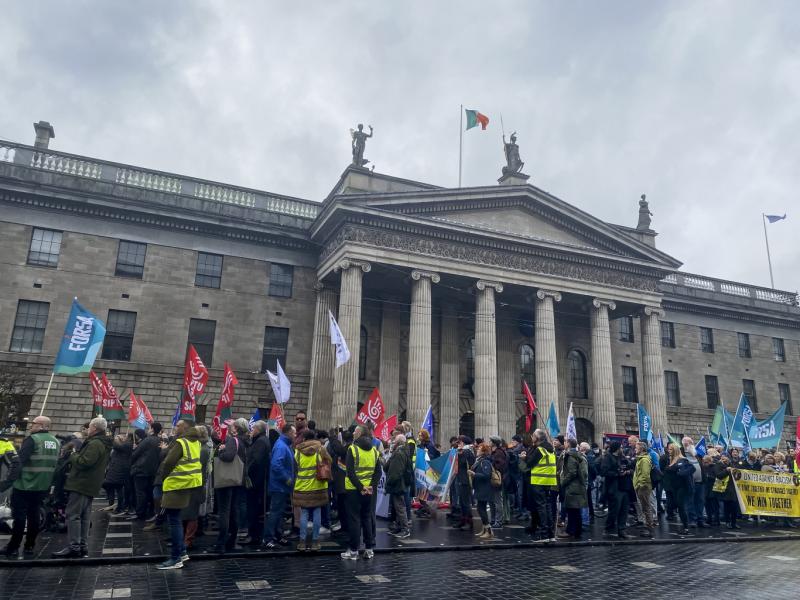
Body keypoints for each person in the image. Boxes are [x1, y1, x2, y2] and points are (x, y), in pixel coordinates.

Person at [52, 417, 112, 558]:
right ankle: (82, 545)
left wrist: (73, 454)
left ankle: (74, 546)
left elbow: (85, 462)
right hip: (89, 483)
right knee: (84, 516)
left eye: (89, 427)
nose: (87, 430)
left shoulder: (96, 443)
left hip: (81, 483)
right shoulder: (101, 442)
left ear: (95, 428)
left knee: (73, 515)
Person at [1, 416, 57, 558]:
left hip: (25, 484)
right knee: (34, 516)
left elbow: (19, 462)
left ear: (42, 426)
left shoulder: (33, 440)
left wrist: (7, 482)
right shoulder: (55, 442)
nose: (31, 426)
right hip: (42, 485)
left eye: (34, 423)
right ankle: (29, 546)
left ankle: (13, 547)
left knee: (19, 517)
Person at [155, 419, 202, 570]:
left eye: (178, 425)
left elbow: (168, 462)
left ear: (184, 428)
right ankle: (181, 552)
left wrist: (164, 477)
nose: (175, 427)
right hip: (187, 484)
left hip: (176, 484)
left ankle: (175, 558)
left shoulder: (181, 442)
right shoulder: (196, 442)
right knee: (177, 519)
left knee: (174, 521)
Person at [340, 425, 382, 560]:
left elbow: (350, 472)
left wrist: (360, 487)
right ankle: (369, 549)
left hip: (354, 490)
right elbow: (378, 472)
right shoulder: (375, 451)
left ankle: (353, 551)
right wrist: (370, 486)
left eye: (355, 431)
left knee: (354, 519)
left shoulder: (352, 449)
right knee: (366, 518)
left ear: (360, 434)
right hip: (368, 491)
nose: (353, 433)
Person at [213, 419, 248, 554]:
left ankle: (221, 543)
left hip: (227, 480)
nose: (229, 427)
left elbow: (228, 457)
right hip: (237, 479)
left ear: (236, 429)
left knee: (224, 511)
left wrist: (220, 452)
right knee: (233, 510)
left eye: (232, 426)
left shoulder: (233, 440)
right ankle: (231, 541)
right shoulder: (244, 441)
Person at [293, 429, 331, 551]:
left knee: (304, 514)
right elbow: (329, 462)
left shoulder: (298, 451)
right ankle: (315, 542)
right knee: (317, 513)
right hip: (318, 487)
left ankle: (302, 542)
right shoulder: (321, 449)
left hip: (302, 487)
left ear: (304, 439)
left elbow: (295, 467)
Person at [261, 423, 296, 550]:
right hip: (279, 486)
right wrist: (287, 479)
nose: (295, 435)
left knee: (280, 512)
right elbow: (276, 465)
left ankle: (278, 535)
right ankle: (268, 538)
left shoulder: (285, 445)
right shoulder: (281, 446)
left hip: (282, 486)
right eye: (294, 433)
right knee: (275, 512)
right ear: (288, 433)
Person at [519, 429, 556, 541]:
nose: (532, 437)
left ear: (538, 438)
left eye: (533, 435)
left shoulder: (540, 449)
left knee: (541, 507)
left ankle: (544, 535)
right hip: (548, 481)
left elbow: (530, 463)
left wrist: (524, 458)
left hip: (538, 481)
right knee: (547, 507)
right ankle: (550, 534)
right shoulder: (550, 449)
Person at [180, 425, 211, 550]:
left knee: (192, 513)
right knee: (186, 512)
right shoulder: (196, 446)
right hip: (188, 483)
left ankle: (189, 540)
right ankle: (184, 538)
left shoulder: (203, 449)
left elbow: (197, 466)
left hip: (196, 484)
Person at [129, 422, 162, 521]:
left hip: (141, 470)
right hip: (153, 471)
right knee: (149, 492)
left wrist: (133, 454)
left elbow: (136, 454)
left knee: (140, 493)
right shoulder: (160, 440)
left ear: (152, 429)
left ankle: (140, 513)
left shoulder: (147, 440)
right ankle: (150, 512)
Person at [245, 420, 271, 545]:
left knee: (253, 509)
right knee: (255, 509)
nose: (251, 431)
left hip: (256, 481)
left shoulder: (260, 442)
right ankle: (254, 534)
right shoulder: (260, 440)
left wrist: (246, 472)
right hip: (258, 480)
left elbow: (255, 461)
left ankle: (254, 535)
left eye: (253, 428)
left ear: (258, 430)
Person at [601, 441, 633, 539]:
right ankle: (609, 526)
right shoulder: (608, 458)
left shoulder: (623, 458)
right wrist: (617, 473)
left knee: (624, 509)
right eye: (620, 447)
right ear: (617, 448)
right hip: (615, 488)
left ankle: (622, 530)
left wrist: (628, 471)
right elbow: (604, 472)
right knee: (614, 510)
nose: (622, 449)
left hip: (625, 487)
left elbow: (631, 468)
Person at [558, 438, 588, 540]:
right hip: (577, 486)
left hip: (572, 487)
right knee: (575, 510)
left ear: (568, 444)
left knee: (571, 510)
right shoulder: (579, 455)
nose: (564, 443)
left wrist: (563, 482)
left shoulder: (570, 456)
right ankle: (577, 531)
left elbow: (572, 472)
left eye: (565, 442)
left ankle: (570, 531)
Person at [385, 434, 412, 539]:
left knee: (400, 507)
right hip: (399, 483)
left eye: (394, 440)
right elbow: (388, 466)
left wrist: (389, 483)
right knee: (397, 507)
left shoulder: (399, 453)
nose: (392, 442)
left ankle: (405, 529)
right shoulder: (400, 452)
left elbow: (396, 472)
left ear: (398, 442)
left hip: (398, 484)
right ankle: (400, 527)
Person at [663, 442, 693, 535]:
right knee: (674, 505)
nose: (669, 451)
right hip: (673, 487)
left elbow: (690, 469)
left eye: (671, 449)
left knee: (681, 506)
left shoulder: (682, 460)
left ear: (675, 450)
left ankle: (686, 527)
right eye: (669, 449)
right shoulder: (670, 460)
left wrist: (680, 472)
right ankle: (685, 526)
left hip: (682, 487)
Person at [102, 433, 133, 514]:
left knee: (119, 488)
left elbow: (116, 446)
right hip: (113, 470)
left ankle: (120, 507)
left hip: (120, 471)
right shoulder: (118, 448)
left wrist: (110, 437)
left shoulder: (125, 446)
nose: (115, 440)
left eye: (117, 439)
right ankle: (112, 505)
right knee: (110, 487)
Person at [469, 442, 496, 539]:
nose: (477, 450)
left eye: (479, 449)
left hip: (484, 489)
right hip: (480, 488)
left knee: (481, 509)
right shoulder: (479, 460)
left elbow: (486, 475)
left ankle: (488, 530)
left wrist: (474, 474)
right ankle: (484, 529)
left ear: (483, 452)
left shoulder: (485, 462)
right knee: (481, 509)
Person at [451, 436, 475, 531]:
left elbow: (463, 463)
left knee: (465, 502)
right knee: (461, 501)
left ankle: (469, 521)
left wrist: (459, 454)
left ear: (464, 443)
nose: (458, 444)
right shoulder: (465, 451)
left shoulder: (467, 452)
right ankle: (463, 520)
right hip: (461, 478)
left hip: (464, 479)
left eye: (460, 442)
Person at [632, 441, 656, 537]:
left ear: (641, 449)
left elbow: (645, 475)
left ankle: (650, 529)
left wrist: (640, 485)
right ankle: (648, 528)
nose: (635, 449)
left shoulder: (644, 460)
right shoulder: (641, 459)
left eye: (636, 448)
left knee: (646, 508)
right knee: (645, 508)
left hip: (643, 488)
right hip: (641, 487)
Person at [489, 436, 508, 528]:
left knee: (497, 501)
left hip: (497, 479)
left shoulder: (499, 452)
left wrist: (491, 464)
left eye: (491, 441)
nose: (489, 442)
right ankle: (493, 520)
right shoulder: (494, 452)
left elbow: (500, 466)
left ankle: (498, 521)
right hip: (494, 478)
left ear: (494, 442)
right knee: (492, 501)